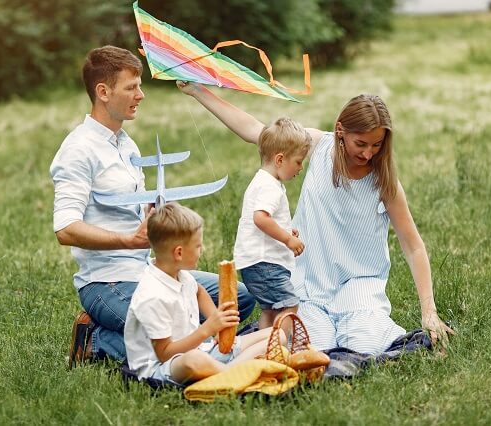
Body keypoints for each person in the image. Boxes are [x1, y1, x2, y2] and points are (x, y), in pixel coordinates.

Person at [177, 81, 455, 355]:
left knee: (367, 345)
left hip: (359, 285)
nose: (368, 153)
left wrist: (428, 312)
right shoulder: (319, 146)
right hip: (308, 284)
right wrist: (198, 91)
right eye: (361, 143)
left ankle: (363, 326)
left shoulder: (384, 181)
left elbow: (413, 245)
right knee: (311, 346)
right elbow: (255, 131)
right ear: (340, 132)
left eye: (377, 145)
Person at [49, 45, 255, 368]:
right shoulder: (78, 150)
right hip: (106, 283)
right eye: (131, 87)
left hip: (148, 272)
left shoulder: (126, 143)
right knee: (173, 336)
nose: (141, 95)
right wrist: (128, 241)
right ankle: (95, 340)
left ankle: (158, 341)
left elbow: (143, 212)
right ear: (103, 92)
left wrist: (158, 214)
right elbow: (65, 229)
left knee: (239, 298)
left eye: (139, 85)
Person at [125, 203, 279, 385]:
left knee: (277, 335)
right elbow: (165, 353)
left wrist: (218, 323)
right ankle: (233, 373)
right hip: (165, 367)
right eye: (198, 246)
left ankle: (232, 368)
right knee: (194, 361)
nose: (202, 250)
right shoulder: (152, 296)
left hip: (202, 350)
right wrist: (207, 329)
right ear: (179, 253)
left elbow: (198, 291)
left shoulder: (180, 275)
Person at [234, 117, 310, 331]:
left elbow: (267, 219)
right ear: (279, 159)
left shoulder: (264, 182)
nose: (301, 167)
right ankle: (280, 349)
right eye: (298, 161)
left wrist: (285, 230)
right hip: (265, 262)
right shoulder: (269, 187)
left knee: (271, 308)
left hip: (255, 261)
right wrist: (287, 239)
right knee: (289, 306)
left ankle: (264, 346)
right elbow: (260, 218)